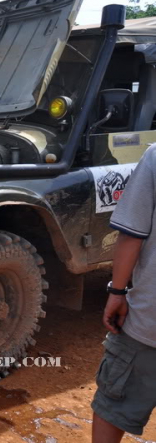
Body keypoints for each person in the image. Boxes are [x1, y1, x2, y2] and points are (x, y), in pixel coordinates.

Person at [91, 145, 156, 443]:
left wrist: (117, 291)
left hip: (149, 320)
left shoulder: (155, 156)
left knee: (113, 404)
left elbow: (131, 233)